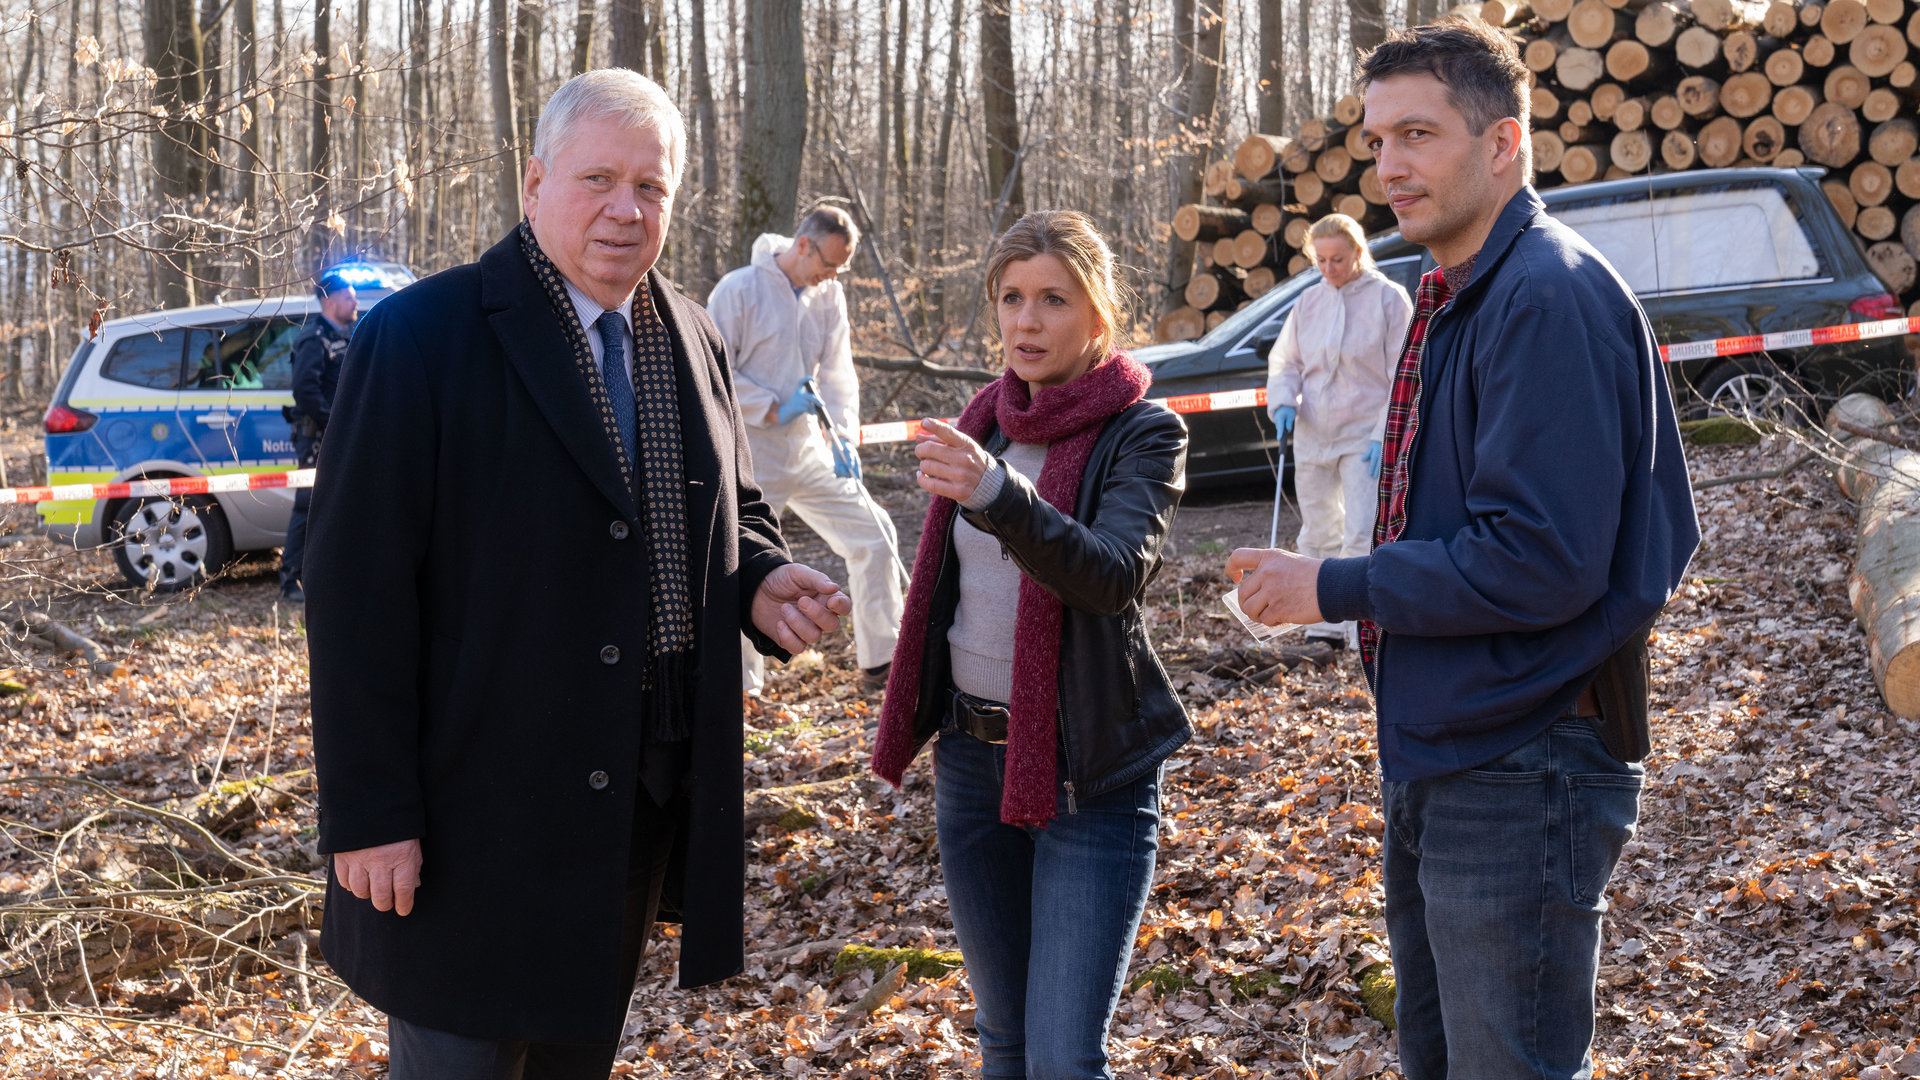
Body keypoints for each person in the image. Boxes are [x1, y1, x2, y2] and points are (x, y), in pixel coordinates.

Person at [304, 69, 853, 1080]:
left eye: (652, 187)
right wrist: (371, 814)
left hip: (631, 801)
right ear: (535, 180)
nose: (625, 209)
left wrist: (760, 578)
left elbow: (729, 502)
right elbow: (355, 594)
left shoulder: (689, 333)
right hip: (472, 808)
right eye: (598, 177)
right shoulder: (424, 339)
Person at [1223, 20, 1698, 1080]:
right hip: (1455, 746)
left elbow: (1541, 558)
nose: (1389, 165)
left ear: (1503, 144)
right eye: (1379, 138)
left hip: (1522, 764)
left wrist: (1333, 585)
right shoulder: (1460, 292)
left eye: (1420, 135)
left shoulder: (1545, 296)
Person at [872, 210, 1191, 1080]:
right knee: (1004, 1043)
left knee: (1060, 1058)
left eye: (1054, 299)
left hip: (1091, 773)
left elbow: (1110, 574)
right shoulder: (984, 419)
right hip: (974, 770)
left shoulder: (1144, 432)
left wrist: (998, 492)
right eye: (1011, 298)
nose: (1027, 321)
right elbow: (949, 593)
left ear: (1098, 316)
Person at [707, 207, 908, 694]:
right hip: (750, 455)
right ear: (803, 245)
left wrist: (843, 436)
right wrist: (773, 406)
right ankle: (743, 689)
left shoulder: (827, 295)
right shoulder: (738, 291)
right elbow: (712, 375)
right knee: (739, 562)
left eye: (840, 268)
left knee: (875, 533)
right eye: (830, 263)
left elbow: (838, 374)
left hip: (810, 450)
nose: (833, 275)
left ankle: (882, 660)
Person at [1266, 212, 1411, 648]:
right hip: (1314, 433)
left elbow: (1401, 374)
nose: (1330, 268)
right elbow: (1286, 361)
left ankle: (1359, 627)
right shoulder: (1308, 302)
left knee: (1362, 530)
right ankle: (1321, 624)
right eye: (1322, 260)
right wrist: (1283, 402)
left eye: (1339, 259)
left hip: (1363, 432)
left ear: (1358, 252)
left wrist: (1382, 434)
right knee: (1317, 528)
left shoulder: (1389, 299)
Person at [277, 271, 357, 603]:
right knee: (307, 506)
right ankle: (291, 579)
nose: (355, 303)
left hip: (341, 434)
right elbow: (306, 391)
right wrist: (336, 422)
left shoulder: (349, 335)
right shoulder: (314, 338)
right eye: (349, 297)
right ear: (330, 300)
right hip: (317, 436)